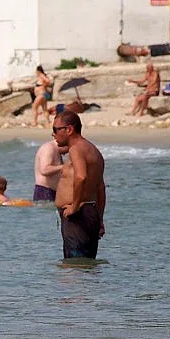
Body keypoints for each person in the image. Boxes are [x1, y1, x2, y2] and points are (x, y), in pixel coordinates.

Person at [52, 110, 106, 259]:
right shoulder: (93, 150)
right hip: (90, 214)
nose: (53, 134)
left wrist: (74, 206)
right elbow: (100, 188)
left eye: (55, 129)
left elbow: (81, 177)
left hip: (77, 216)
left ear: (69, 129)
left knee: (73, 269)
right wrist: (100, 219)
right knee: (86, 270)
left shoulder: (76, 149)